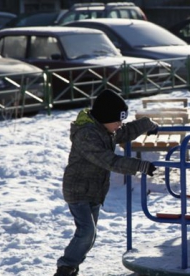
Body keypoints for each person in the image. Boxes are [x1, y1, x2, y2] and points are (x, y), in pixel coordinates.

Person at [54, 89, 158, 276]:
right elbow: (109, 160)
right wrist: (140, 165)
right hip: (78, 191)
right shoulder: (87, 135)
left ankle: (70, 267)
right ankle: (65, 267)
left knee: (89, 235)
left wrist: (146, 124)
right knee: (86, 233)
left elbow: (124, 132)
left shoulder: (104, 129)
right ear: (105, 117)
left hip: (94, 191)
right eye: (117, 120)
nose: (119, 125)